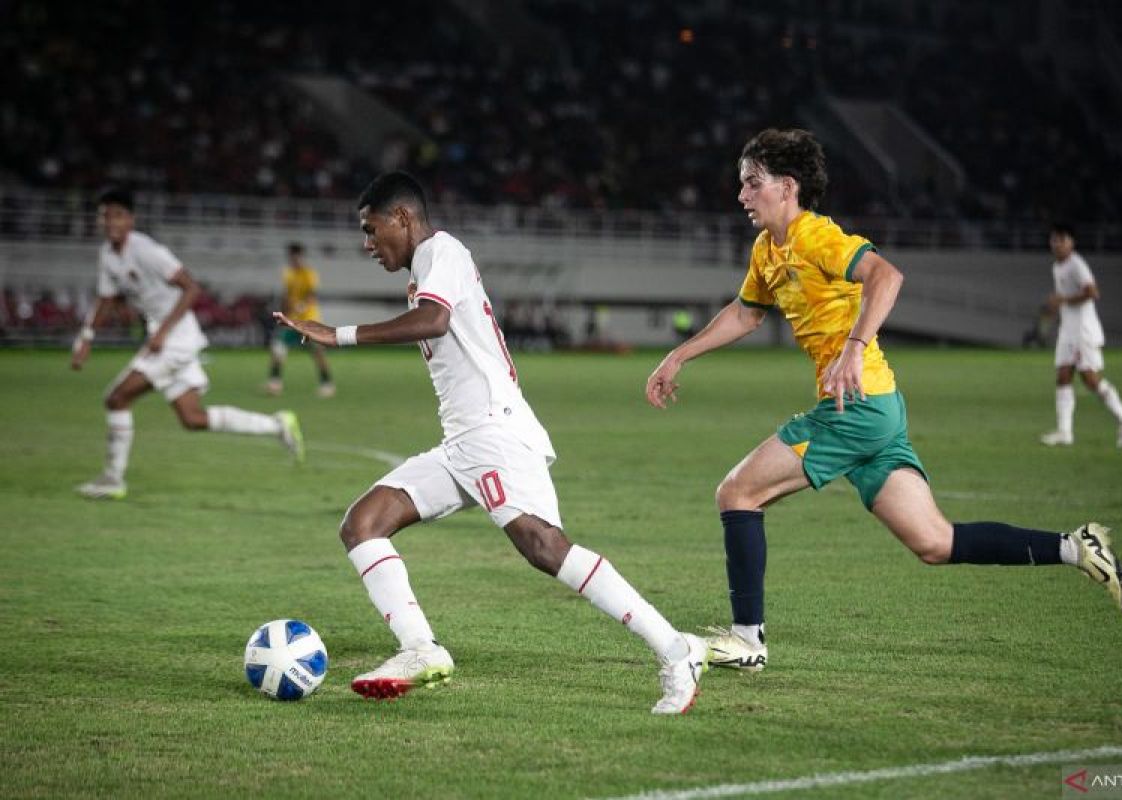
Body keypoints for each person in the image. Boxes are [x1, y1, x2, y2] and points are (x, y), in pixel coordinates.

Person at [644, 129, 1122, 673]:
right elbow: (746, 314)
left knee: (737, 492)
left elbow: (886, 275)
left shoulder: (816, 237)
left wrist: (854, 347)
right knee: (934, 541)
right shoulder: (767, 249)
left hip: (855, 408)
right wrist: (679, 356)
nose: (741, 196)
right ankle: (1078, 547)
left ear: (787, 187)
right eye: (741, 184)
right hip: (877, 407)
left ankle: (747, 640)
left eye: (752, 184)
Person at [274, 172, 707, 714]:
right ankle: (420, 650)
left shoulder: (441, 251)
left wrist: (338, 334)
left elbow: (433, 321)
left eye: (371, 228)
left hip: (492, 430)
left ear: (403, 218)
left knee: (544, 547)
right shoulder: (429, 264)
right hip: (464, 439)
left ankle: (676, 648)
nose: (367, 244)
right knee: (362, 524)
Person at [70, 188, 304, 500]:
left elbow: (191, 288)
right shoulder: (108, 255)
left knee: (116, 398)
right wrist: (86, 337)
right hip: (166, 337)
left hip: (174, 337)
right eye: (104, 215)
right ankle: (277, 425)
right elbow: (106, 299)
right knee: (192, 418)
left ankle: (113, 479)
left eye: (116, 215)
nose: (109, 221)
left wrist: (163, 332)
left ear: (130, 219)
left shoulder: (147, 250)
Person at [1040, 224, 1122, 448]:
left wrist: (1064, 300)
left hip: (1083, 331)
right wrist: (1057, 308)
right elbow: (1065, 298)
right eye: (1053, 239)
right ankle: (1065, 432)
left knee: (1090, 379)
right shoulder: (1057, 267)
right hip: (1068, 330)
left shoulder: (1077, 265)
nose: (1056, 244)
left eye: (1061, 239)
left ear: (1071, 242)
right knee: (1063, 376)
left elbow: (1092, 292)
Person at [266, 243, 335, 398]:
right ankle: (274, 383)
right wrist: (284, 312)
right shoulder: (288, 273)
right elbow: (286, 295)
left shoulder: (309, 273)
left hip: (309, 320)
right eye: (291, 257)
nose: (293, 259)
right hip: (292, 320)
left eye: (295, 256)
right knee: (277, 348)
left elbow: (312, 294)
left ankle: (327, 384)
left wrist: (301, 306)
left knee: (317, 353)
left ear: (300, 256)